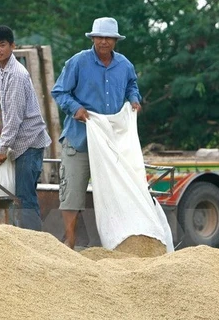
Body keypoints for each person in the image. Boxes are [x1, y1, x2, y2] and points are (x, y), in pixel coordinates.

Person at [51, 17, 142, 249]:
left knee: (117, 191)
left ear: (115, 41)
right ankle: (70, 242)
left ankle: (117, 242)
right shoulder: (78, 62)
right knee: (72, 193)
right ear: (92, 38)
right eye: (99, 37)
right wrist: (76, 109)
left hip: (111, 141)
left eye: (108, 38)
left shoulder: (124, 65)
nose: (103, 42)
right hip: (80, 139)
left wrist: (134, 100)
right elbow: (60, 91)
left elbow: (132, 85)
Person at [0, 25, 52, 231]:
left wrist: (2, 148)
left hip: (29, 142)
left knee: (25, 196)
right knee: (21, 195)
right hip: (20, 144)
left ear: (12, 46)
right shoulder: (1, 71)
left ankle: (35, 242)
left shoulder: (16, 74)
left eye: (2, 45)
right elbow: (6, 113)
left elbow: (14, 118)